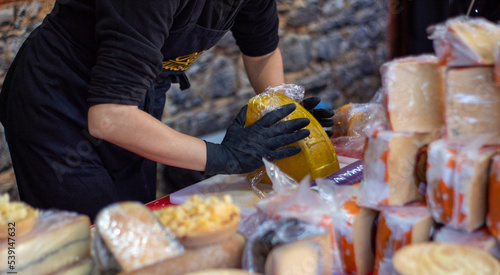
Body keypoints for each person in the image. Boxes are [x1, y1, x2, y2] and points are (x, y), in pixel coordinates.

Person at [0, 0, 333, 220]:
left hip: (131, 103)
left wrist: (282, 110)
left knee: (140, 218)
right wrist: (224, 157)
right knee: (94, 240)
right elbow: (110, 117)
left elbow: (261, 53)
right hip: (56, 101)